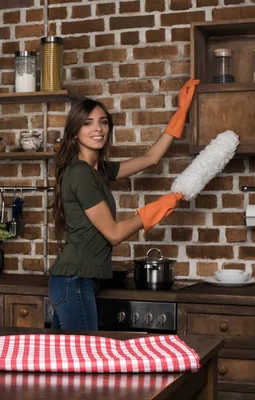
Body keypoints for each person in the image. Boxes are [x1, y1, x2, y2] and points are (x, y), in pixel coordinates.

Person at [49, 78, 199, 331]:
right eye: (88, 123)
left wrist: (181, 112)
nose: (98, 129)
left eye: (103, 122)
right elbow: (114, 234)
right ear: (75, 131)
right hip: (72, 281)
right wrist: (160, 206)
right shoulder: (80, 173)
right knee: (83, 359)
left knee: (66, 362)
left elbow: (151, 158)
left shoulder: (98, 171)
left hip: (80, 281)